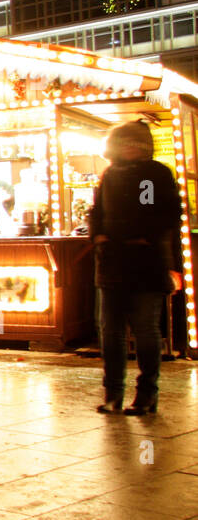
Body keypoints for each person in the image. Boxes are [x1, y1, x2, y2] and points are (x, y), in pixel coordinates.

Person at [90, 121, 182, 415]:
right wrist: (99, 235)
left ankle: (146, 394)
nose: (131, 148)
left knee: (144, 331)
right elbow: (98, 212)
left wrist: (140, 237)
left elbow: (162, 214)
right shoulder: (110, 174)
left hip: (145, 264)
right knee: (110, 332)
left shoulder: (154, 174)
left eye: (136, 143)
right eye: (126, 142)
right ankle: (113, 393)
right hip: (113, 263)